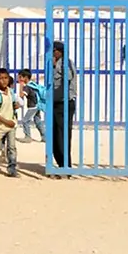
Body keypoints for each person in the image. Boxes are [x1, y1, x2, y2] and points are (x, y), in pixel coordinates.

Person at [50, 41, 76, 174]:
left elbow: (68, 77)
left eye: (53, 50)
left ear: (58, 51)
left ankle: (65, 167)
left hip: (64, 104)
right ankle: (62, 165)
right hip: (56, 103)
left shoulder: (65, 63)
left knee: (62, 136)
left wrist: (56, 66)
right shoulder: (58, 63)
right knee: (55, 136)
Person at [16, 68, 45, 142]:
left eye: (20, 77)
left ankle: (27, 137)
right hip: (37, 105)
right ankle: (44, 137)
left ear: (25, 77)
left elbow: (21, 95)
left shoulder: (27, 87)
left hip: (33, 107)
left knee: (25, 121)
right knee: (38, 121)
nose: (19, 79)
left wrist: (21, 85)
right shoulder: (33, 84)